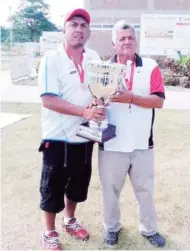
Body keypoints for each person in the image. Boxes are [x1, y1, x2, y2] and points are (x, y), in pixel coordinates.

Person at [38, 8, 104, 250]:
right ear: (64, 30)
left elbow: (99, 91)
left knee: (77, 184)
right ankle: (49, 232)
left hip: (85, 135)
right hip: (56, 137)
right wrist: (84, 112)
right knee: (52, 186)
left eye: (83, 25)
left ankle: (69, 220)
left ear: (89, 32)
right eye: (73, 24)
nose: (79, 29)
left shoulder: (94, 57)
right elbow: (48, 100)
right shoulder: (51, 59)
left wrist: (99, 105)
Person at [98, 20, 166, 247]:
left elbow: (159, 100)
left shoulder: (151, 66)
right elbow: (95, 99)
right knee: (109, 190)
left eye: (130, 38)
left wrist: (132, 98)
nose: (127, 42)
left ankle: (149, 229)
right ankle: (112, 227)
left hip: (141, 142)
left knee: (145, 190)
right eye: (122, 38)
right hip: (110, 143)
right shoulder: (102, 69)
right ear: (113, 43)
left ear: (136, 41)